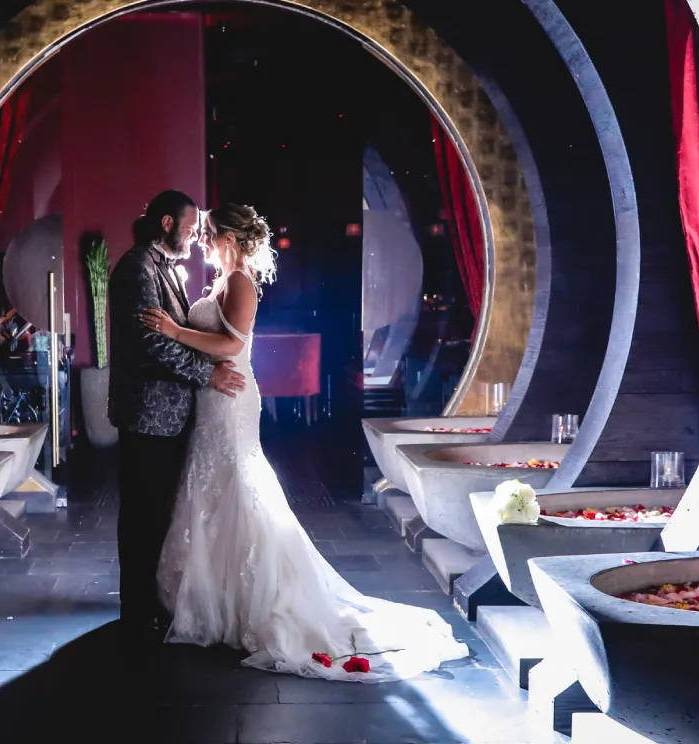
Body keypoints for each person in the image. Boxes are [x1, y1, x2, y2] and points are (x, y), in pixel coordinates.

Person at [141, 203, 468, 680]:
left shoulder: (240, 283)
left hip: (231, 401)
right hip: (212, 398)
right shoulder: (220, 281)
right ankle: (213, 596)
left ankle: (248, 600)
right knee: (211, 484)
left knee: (238, 484)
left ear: (229, 238)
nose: (203, 243)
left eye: (209, 235)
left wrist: (174, 330)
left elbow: (233, 346)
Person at [108, 191, 246, 646]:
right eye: (189, 228)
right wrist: (209, 375)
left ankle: (154, 602)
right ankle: (136, 611)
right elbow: (154, 344)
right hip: (148, 413)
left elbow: (181, 336)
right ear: (167, 223)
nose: (194, 237)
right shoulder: (137, 268)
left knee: (161, 512)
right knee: (142, 515)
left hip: (174, 413)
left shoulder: (167, 266)